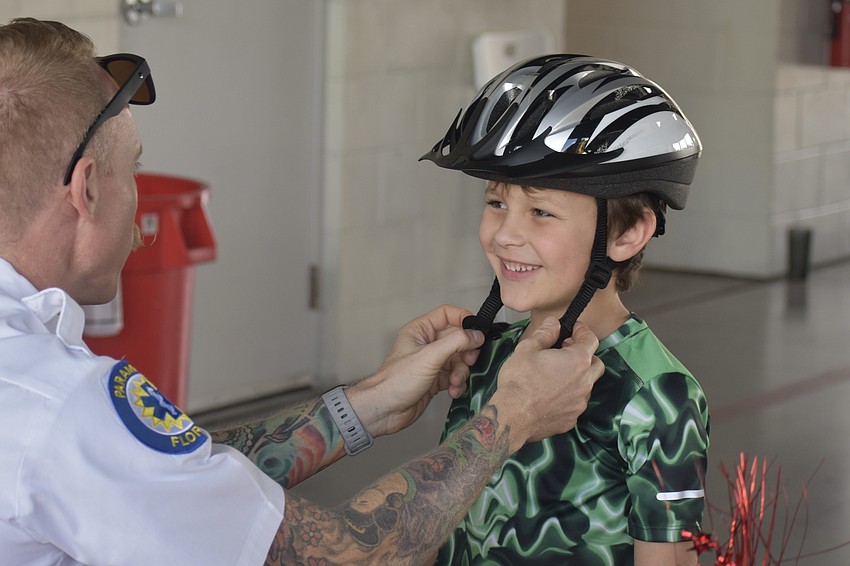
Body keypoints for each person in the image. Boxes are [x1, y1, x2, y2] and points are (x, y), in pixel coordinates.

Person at [0, 18, 605, 565]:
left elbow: (168, 478)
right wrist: (512, 416)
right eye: (131, 169)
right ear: (85, 189)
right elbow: (352, 557)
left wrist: (368, 403)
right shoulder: (58, 406)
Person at [419, 54, 711, 565]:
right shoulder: (488, 354)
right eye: (496, 203)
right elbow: (444, 521)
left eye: (541, 212)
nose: (505, 234)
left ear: (626, 233)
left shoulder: (657, 394)